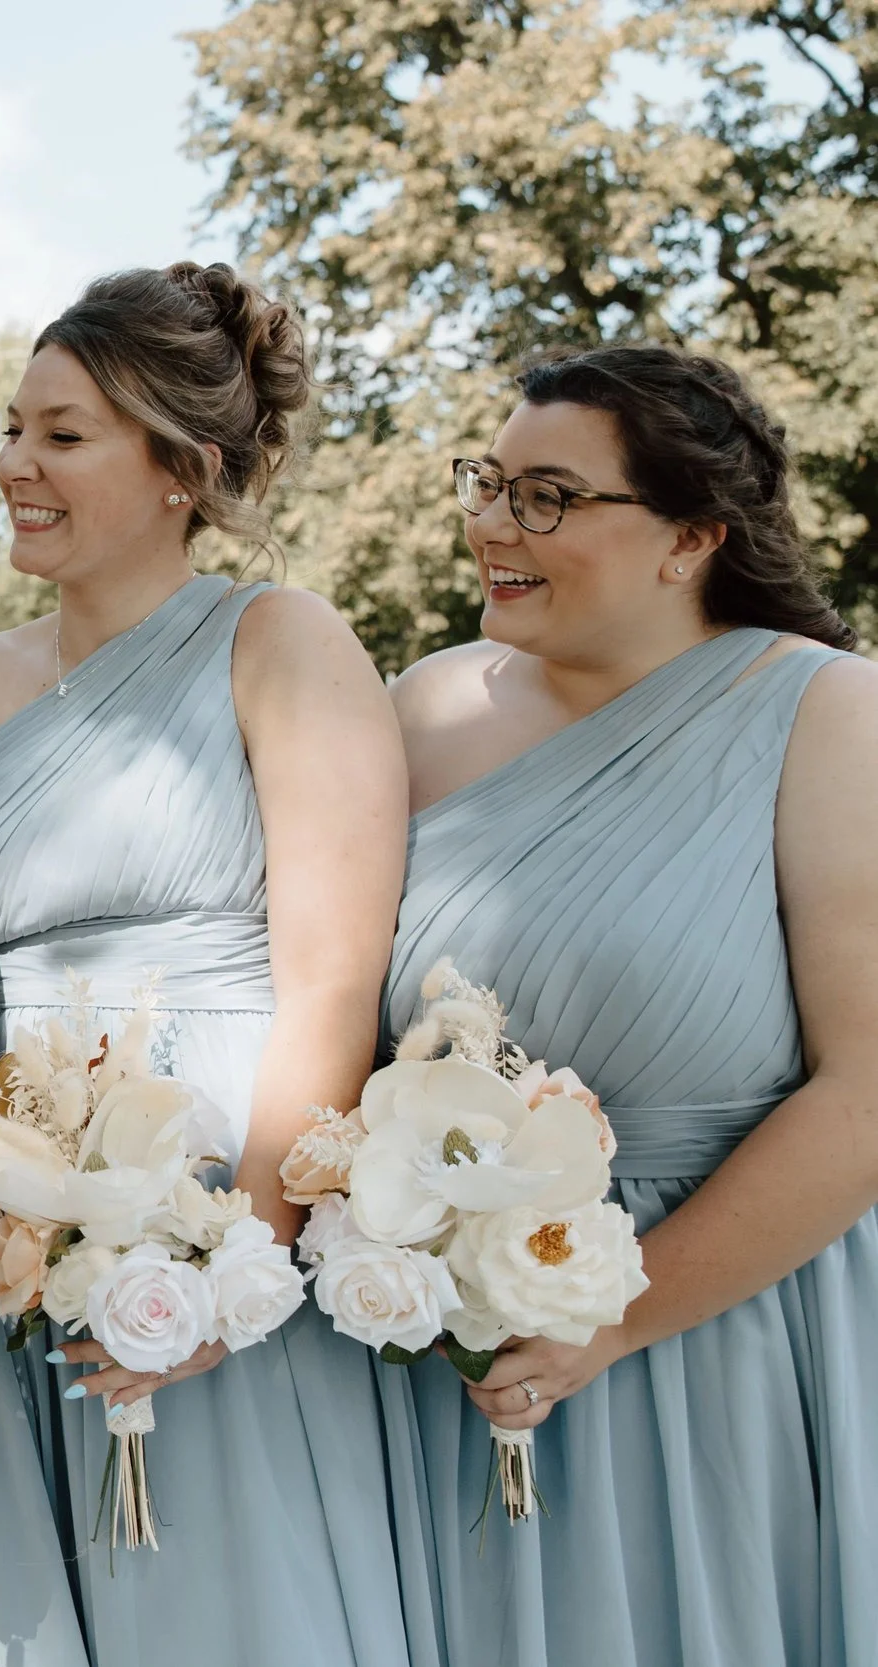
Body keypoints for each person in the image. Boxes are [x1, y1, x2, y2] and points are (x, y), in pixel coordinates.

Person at [0, 263, 432, 1666]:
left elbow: (333, 978)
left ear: (181, 468)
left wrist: (240, 1261)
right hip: (10, 1213)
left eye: (64, 433)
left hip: (217, 1198)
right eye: (14, 426)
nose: (16, 461)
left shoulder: (282, 641)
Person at [386, 344, 877, 1666]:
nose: (493, 520)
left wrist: (611, 1318)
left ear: (692, 537)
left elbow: (868, 1090)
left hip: (721, 1326)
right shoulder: (422, 709)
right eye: (488, 481)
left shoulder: (827, 712)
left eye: (547, 494)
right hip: (448, 1339)